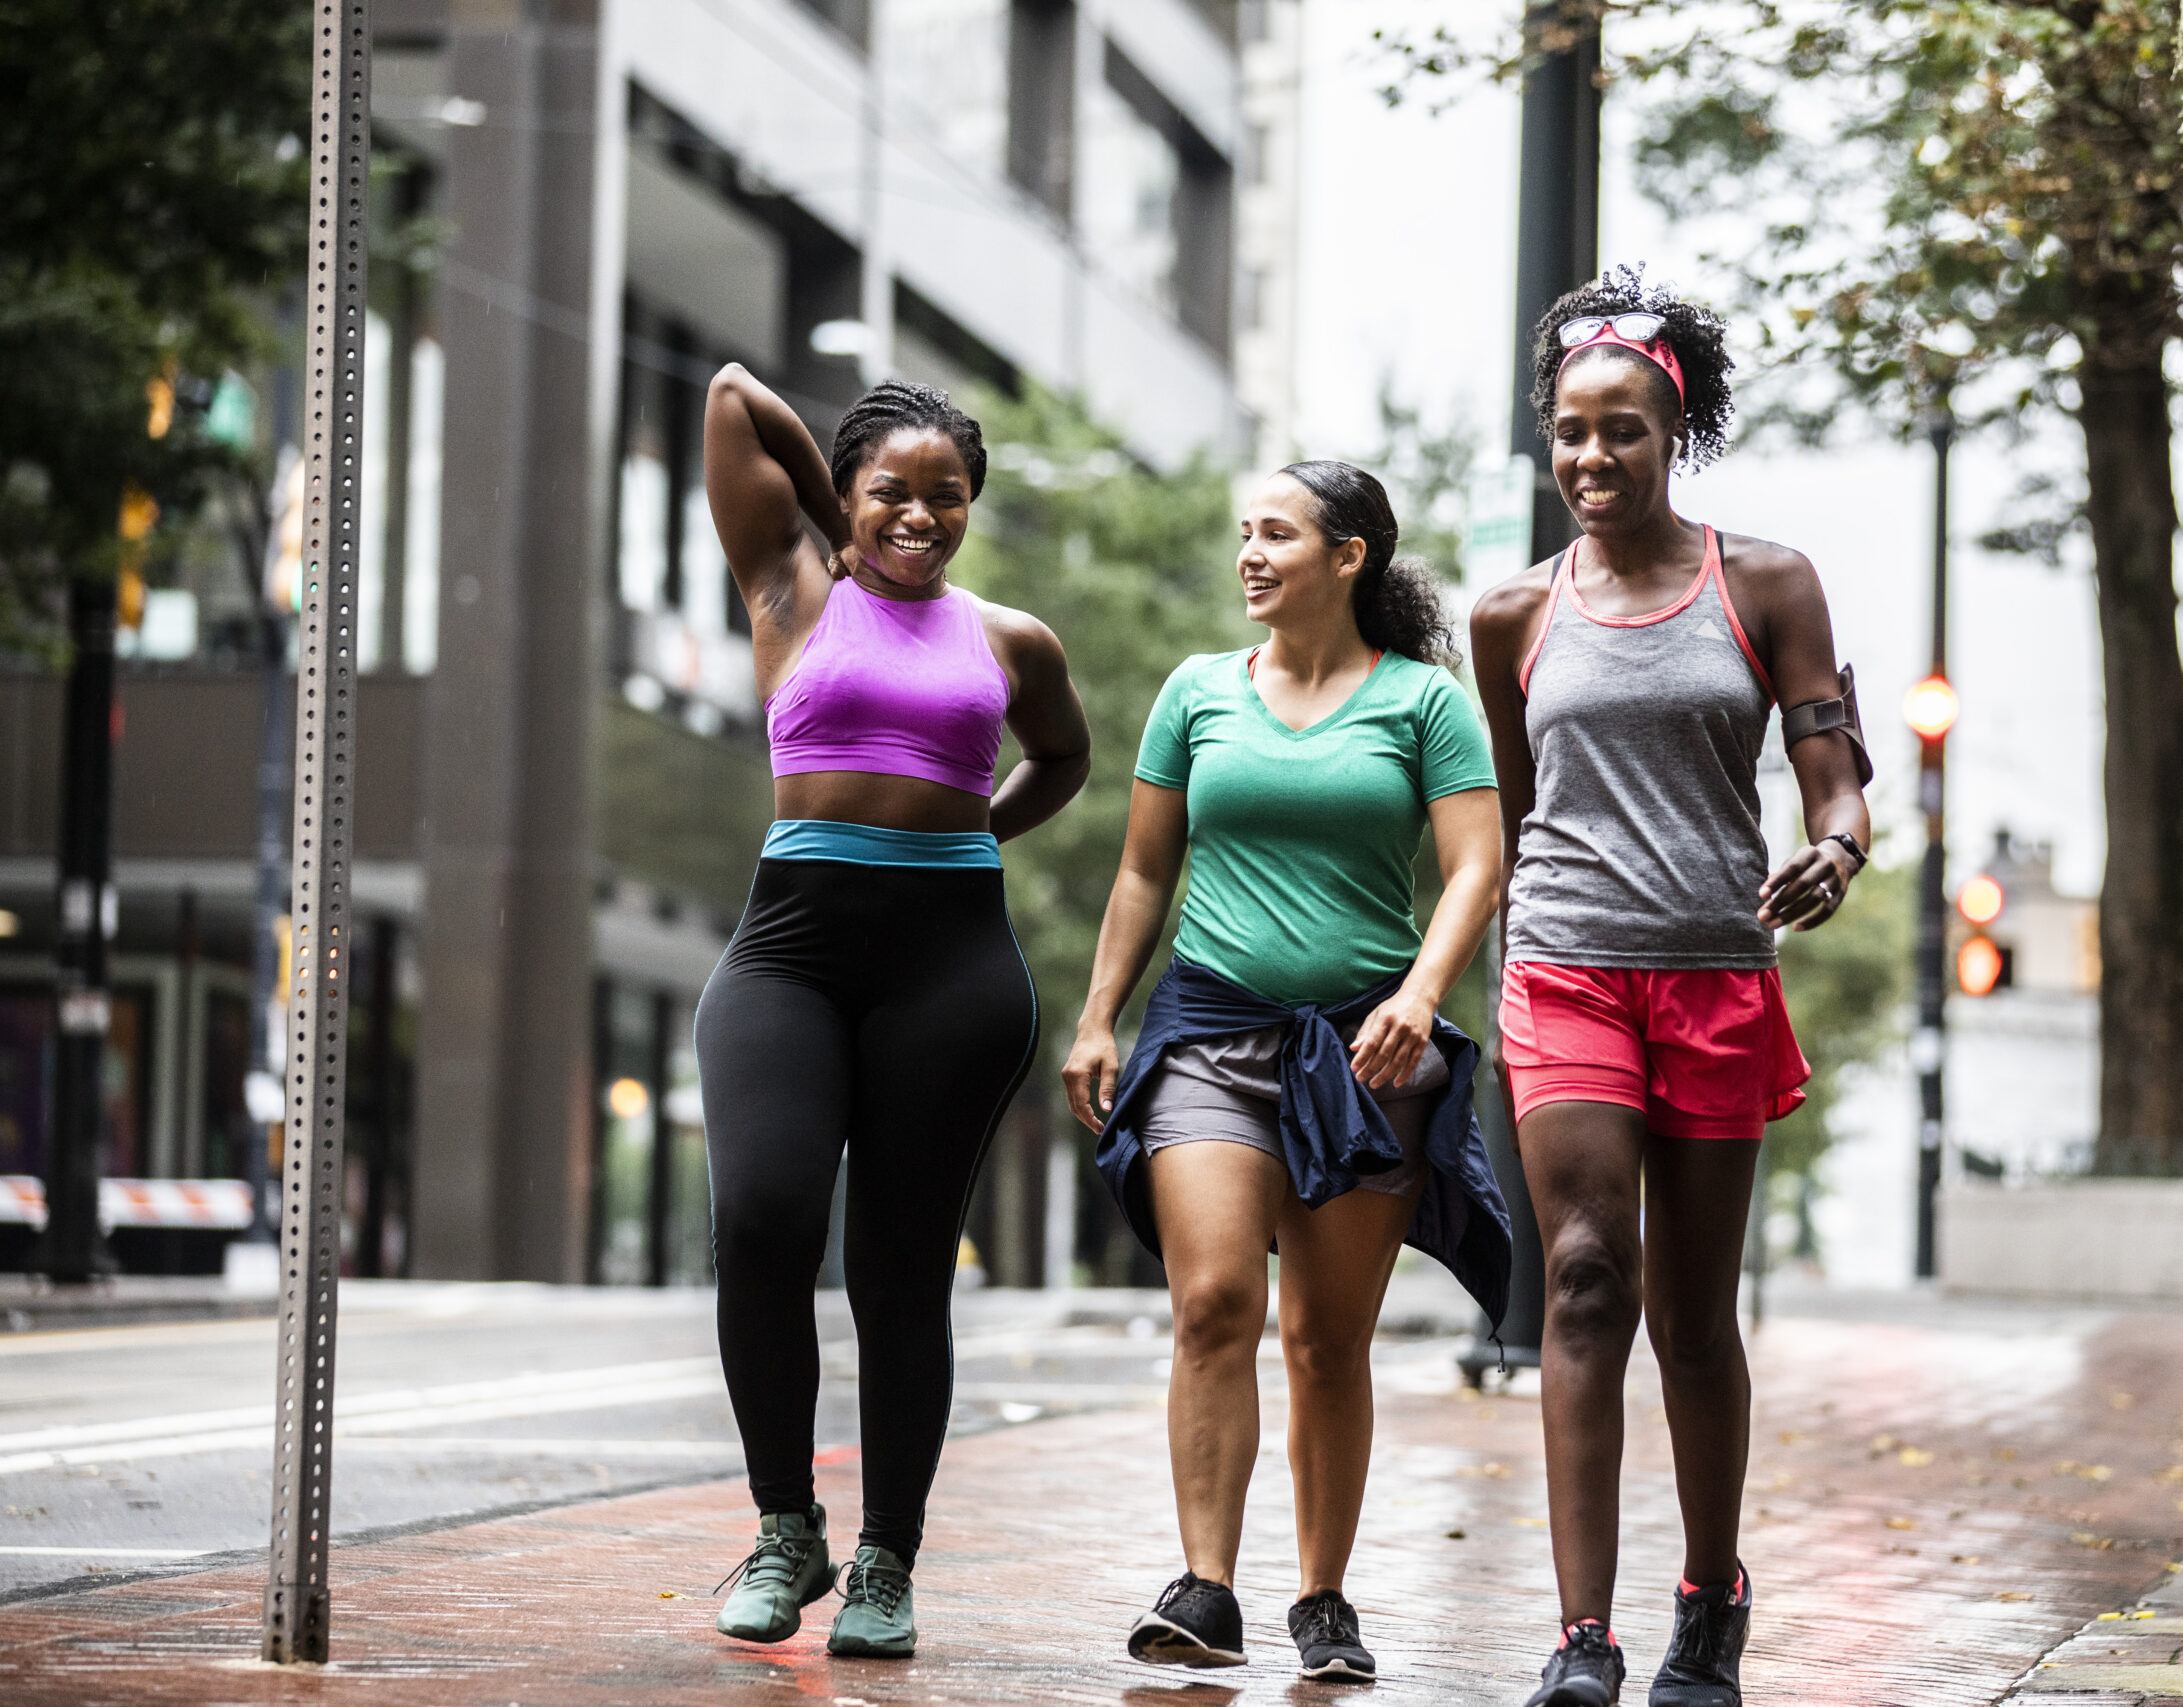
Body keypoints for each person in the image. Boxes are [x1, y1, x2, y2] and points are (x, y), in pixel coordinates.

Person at [1471, 267, 1874, 1707]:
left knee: (1695, 1317)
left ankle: (1712, 1594)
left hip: (1714, 968)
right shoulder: (1511, 613)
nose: (1593, 457)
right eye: (1571, 431)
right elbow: (1518, 817)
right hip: (1567, 963)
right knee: (1584, 1278)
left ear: (1675, 427)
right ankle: (1584, 1634)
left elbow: (1837, 778)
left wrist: (1834, 852)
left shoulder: (1764, 582)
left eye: (1623, 429)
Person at [1062, 461, 1512, 1684]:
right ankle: (1204, 1588)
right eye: (1242, 533)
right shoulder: (1198, 692)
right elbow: (1146, 871)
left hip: (1366, 1047)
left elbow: (1478, 864)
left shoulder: (1424, 703)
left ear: (1349, 554)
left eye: (1276, 533)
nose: (1250, 554)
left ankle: (1322, 1598)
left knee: (1325, 1340)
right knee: (1212, 1303)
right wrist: (1100, 1013)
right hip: (1208, 1028)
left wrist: (1421, 999)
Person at [693, 368, 1090, 1658]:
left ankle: (885, 1563)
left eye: (946, 496)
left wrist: (982, 822)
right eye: (893, 493)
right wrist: (840, 521)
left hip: (952, 970)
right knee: (762, 1216)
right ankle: (784, 1526)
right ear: (849, 496)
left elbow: (1065, 757)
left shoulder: (1011, 638)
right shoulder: (792, 588)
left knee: (899, 1278)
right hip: (789, 955)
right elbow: (734, 395)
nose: (921, 516)